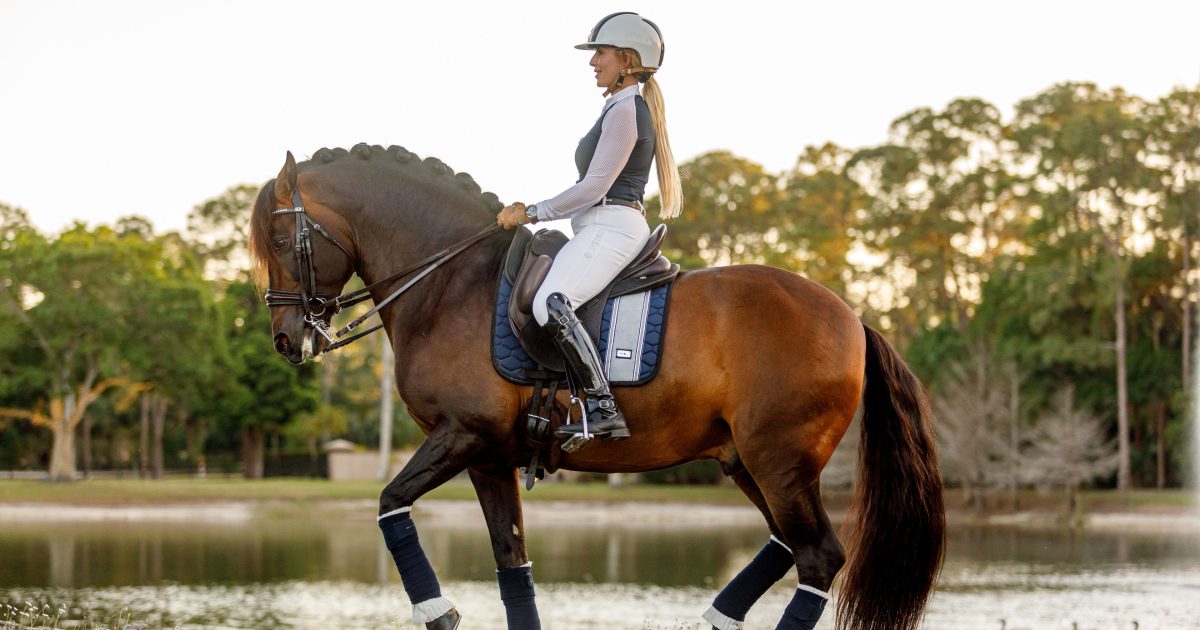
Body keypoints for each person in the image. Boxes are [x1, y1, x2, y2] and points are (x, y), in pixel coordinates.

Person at [496, 12, 683, 443]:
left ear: (628, 59)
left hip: (611, 225)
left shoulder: (626, 110)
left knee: (550, 302)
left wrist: (532, 212)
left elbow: (594, 187)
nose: (592, 61)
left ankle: (603, 408)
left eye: (600, 52)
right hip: (600, 225)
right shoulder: (618, 107)